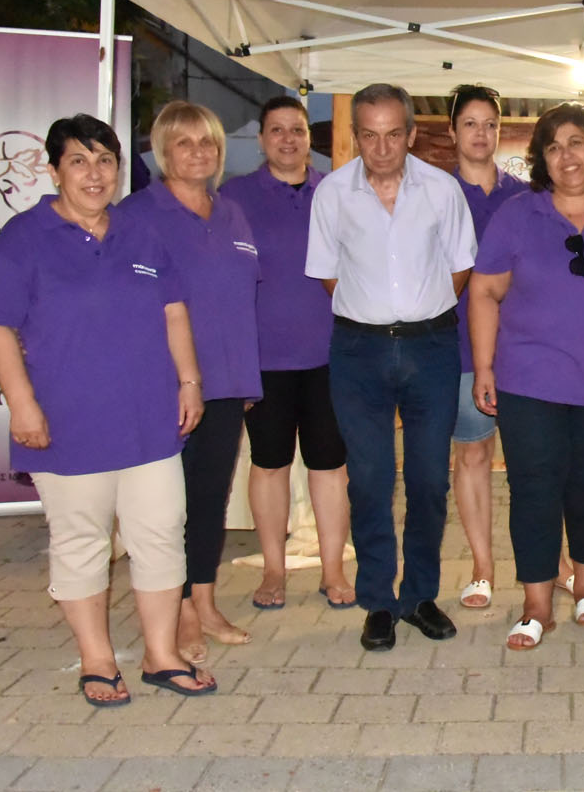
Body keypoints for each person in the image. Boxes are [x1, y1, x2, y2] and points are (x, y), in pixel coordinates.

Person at [0, 114, 216, 702]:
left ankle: (161, 655)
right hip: (68, 422)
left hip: (150, 420)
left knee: (161, 535)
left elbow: (174, 311)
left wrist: (189, 381)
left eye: (105, 160)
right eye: (78, 161)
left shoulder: (139, 233)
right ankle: (98, 659)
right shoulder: (24, 237)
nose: (94, 173)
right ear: (54, 170)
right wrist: (22, 406)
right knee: (81, 541)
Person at [469, 103, 584, 649]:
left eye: (577, 143)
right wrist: (483, 366)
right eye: (553, 147)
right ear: (541, 160)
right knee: (534, 488)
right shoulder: (517, 216)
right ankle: (537, 604)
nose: (566, 155)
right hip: (528, 380)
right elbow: (484, 291)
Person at [306, 82, 476, 652]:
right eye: (369, 136)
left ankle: (420, 596)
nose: (381, 148)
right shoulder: (332, 194)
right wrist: (373, 314)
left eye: (393, 134)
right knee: (370, 478)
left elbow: (459, 269)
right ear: (356, 135)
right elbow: (329, 275)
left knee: (429, 479)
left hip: (431, 348)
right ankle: (378, 601)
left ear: (412, 134)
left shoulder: (442, 190)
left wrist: (418, 310)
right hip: (359, 351)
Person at [118, 101, 262, 664]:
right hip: (164, 386)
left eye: (207, 142)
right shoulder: (137, 216)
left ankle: (203, 602)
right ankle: (174, 611)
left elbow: (242, 301)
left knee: (209, 499)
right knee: (166, 507)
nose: (198, 152)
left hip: (226, 383)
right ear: (161, 152)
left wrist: (246, 380)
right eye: (184, 142)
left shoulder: (232, 213)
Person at [220, 96, 354, 612]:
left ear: (307, 137)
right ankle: (274, 570)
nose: (288, 139)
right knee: (270, 463)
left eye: (296, 129)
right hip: (264, 359)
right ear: (261, 140)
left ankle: (333, 569)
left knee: (330, 466)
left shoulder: (337, 191)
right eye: (277, 130)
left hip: (331, 355)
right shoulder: (234, 198)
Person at [446, 84, 528, 610]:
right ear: (452, 131)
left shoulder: (525, 195)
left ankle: (554, 564)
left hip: (523, 349)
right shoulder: (435, 193)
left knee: (535, 462)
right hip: (457, 347)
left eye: (490, 124)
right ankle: (482, 567)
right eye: (471, 123)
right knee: (473, 454)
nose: (481, 133)